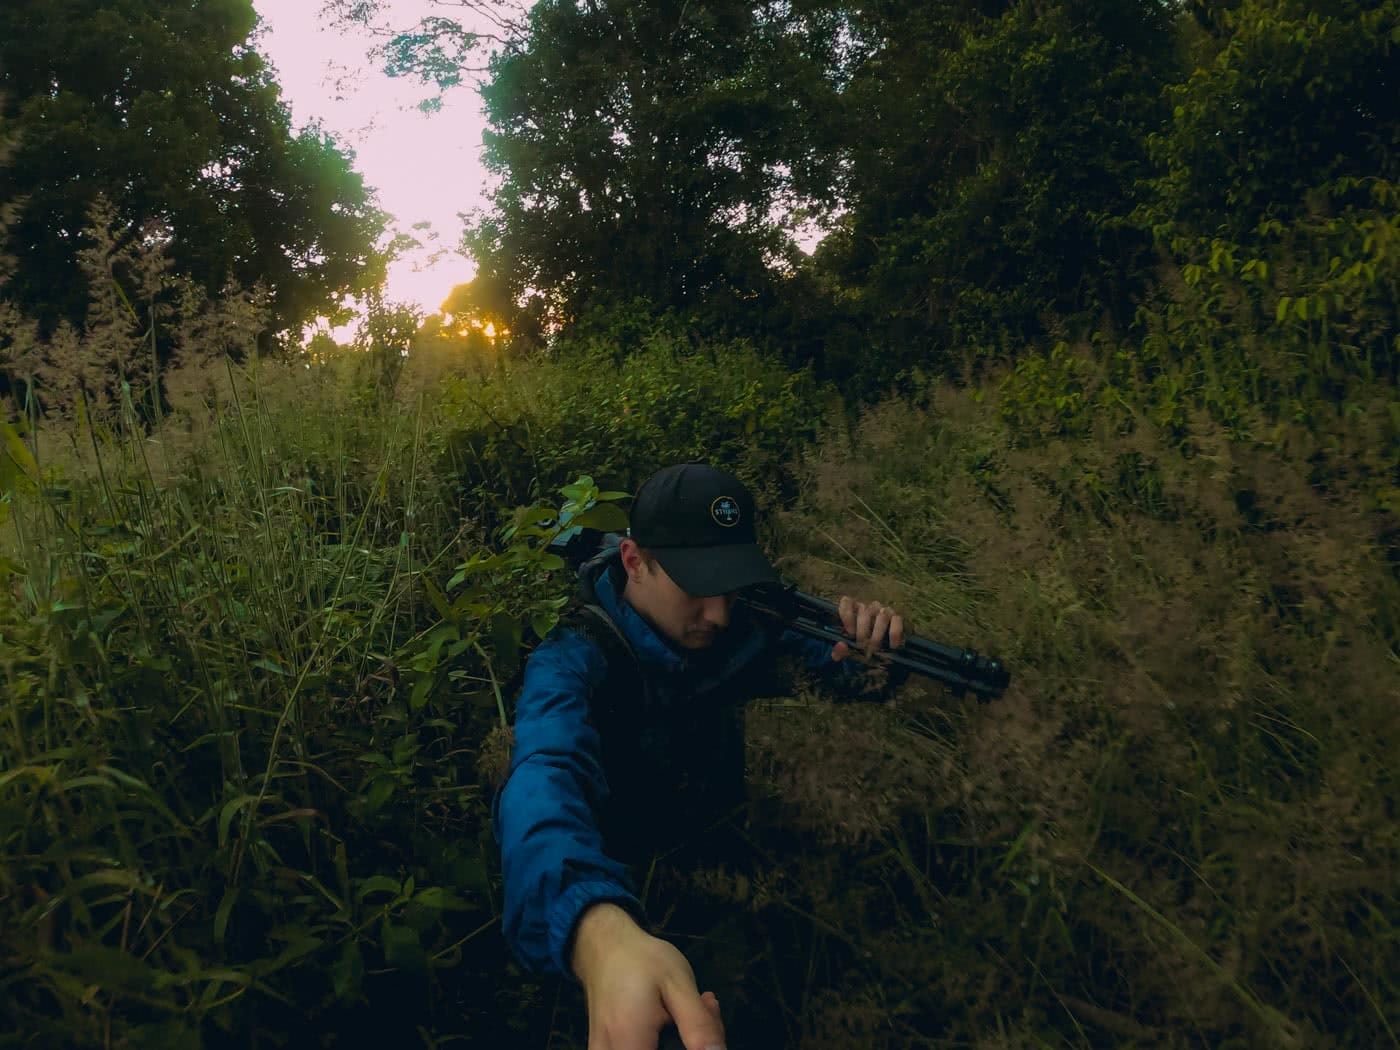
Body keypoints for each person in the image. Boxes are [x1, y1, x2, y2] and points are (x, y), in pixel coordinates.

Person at [492, 463, 907, 1050]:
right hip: (622, 890)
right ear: (635, 562)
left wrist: (872, 653)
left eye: (729, 586)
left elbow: (833, 670)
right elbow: (542, 777)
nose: (719, 616)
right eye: (696, 586)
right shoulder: (572, 660)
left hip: (726, 867)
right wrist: (597, 933)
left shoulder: (739, 621)